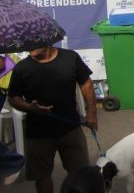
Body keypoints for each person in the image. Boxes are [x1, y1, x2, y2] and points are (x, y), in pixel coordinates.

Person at [8, 46, 97, 193]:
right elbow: (14, 98)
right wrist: (30, 107)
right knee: (41, 176)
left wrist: (92, 113)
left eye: (34, 42)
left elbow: (86, 83)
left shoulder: (70, 58)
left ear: (47, 39)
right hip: (38, 133)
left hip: (70, 128)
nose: (30, 46)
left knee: (80, 173)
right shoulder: (21, 68)